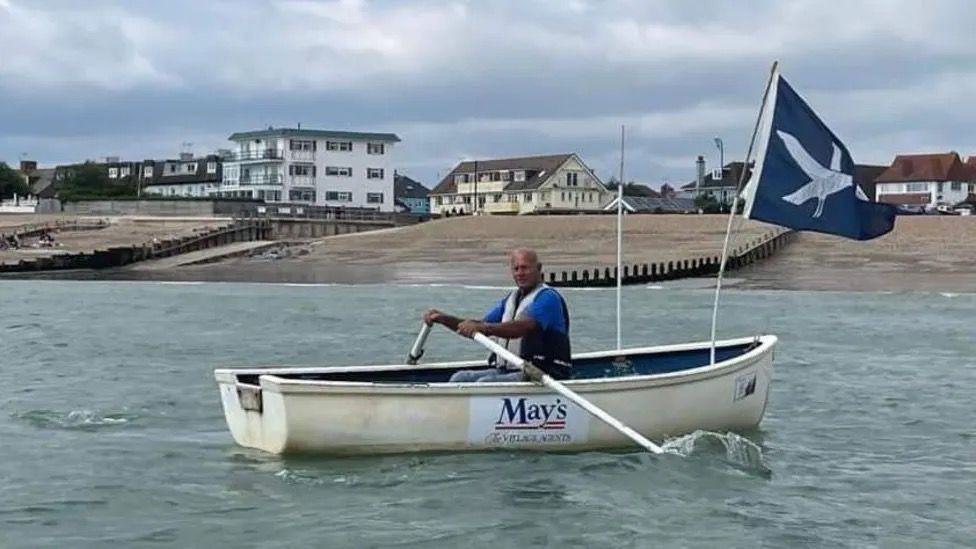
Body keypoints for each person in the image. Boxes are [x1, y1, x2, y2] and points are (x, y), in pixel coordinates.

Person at [423, 248, 571, 383]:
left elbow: (522, 328)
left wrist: (484, 328)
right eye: (516, 269)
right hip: (509, 369)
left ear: (538, 269)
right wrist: (443, 318)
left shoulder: (548, 298)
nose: (520, 273)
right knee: (459, 378)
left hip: (543, 374)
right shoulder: (512, 299)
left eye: (525, 268)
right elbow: (479, 325)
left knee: (484, 384)